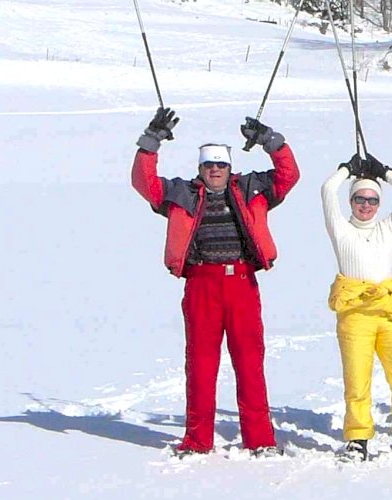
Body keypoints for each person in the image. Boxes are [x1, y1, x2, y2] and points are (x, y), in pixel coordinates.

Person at [130, 108, 299, 458]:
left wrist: (271, 141)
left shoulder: (251, 187)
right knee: (201, 364)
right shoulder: (181, 193)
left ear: (229, 167)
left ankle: (260, 439)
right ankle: (197, 440)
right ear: (200, 169)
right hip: (201, 285)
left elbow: (288, 175)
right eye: (209, 166)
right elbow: (144, 183)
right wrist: (151, 141)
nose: (215, 171)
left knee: (250, 363)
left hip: (241, 283)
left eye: (221, 165)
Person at [322, 144, 392, 460]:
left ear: (379, 204)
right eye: (359, 199)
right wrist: (346, 170)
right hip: (354, 314)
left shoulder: (387, 228)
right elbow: (327, 190)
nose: (366, 205)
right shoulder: (341, 229)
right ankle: (357, 437)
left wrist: (385, 173)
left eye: (372, 199)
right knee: (357, 379)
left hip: (388, 311)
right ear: (350, 201)